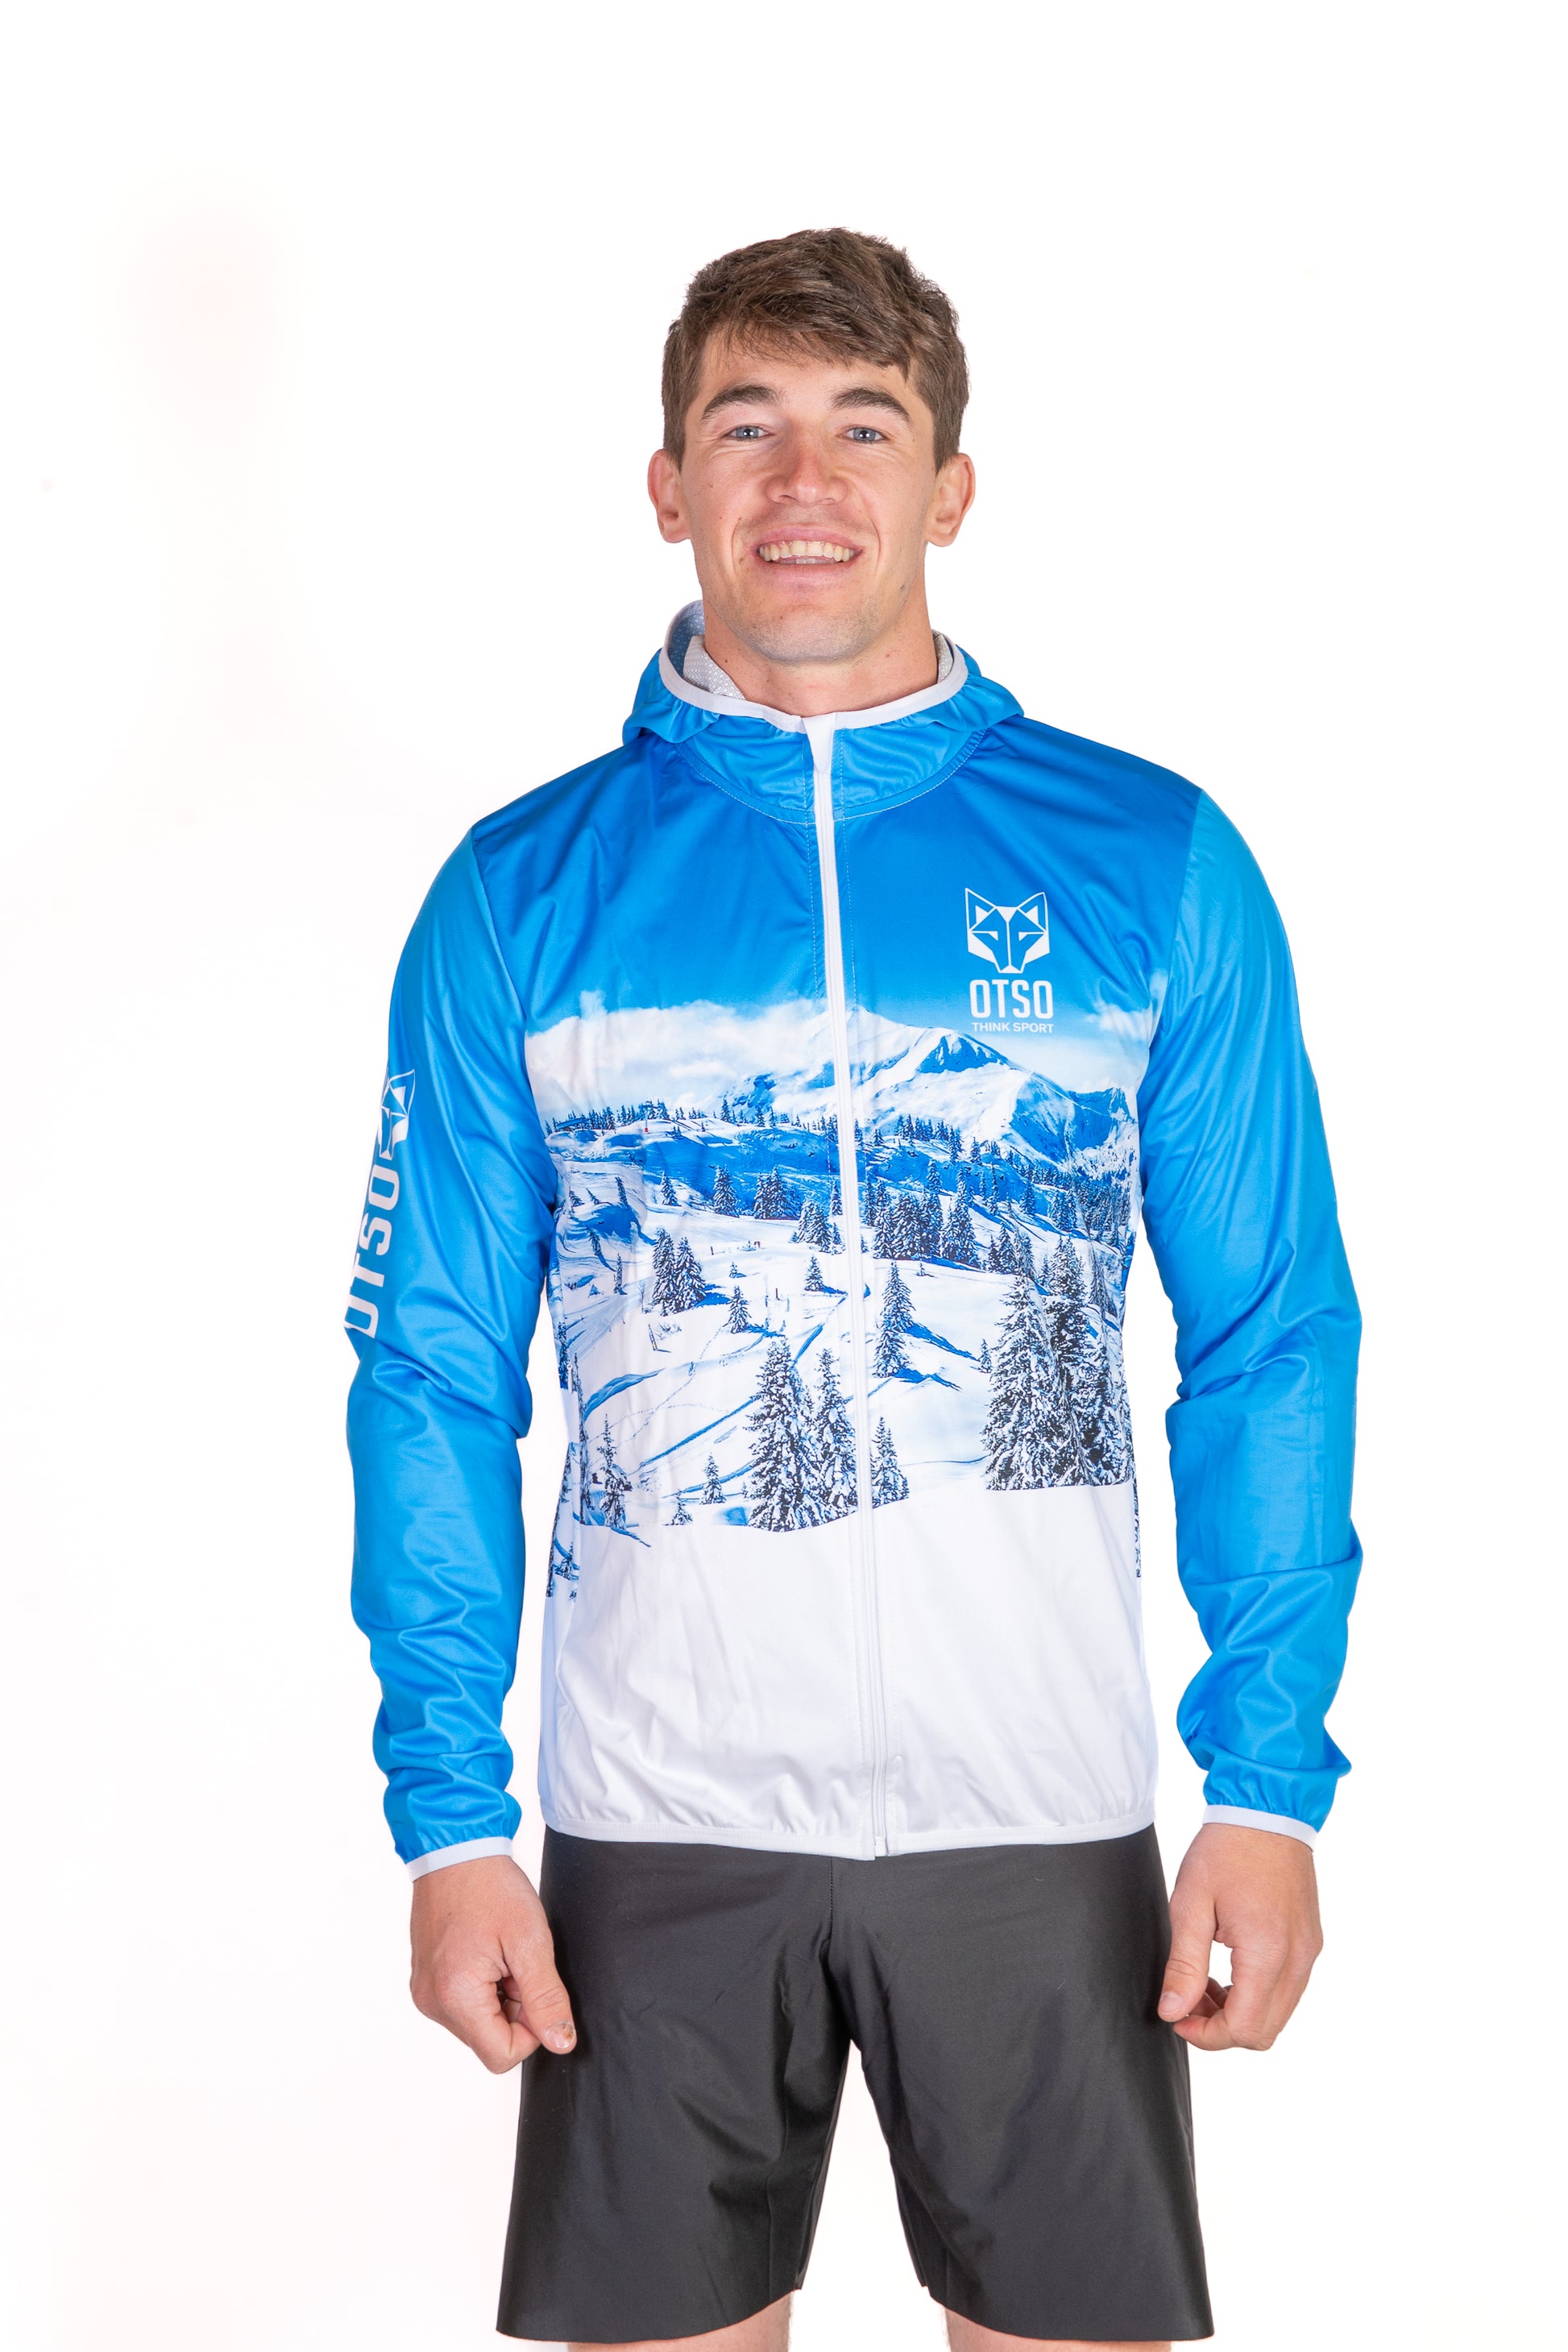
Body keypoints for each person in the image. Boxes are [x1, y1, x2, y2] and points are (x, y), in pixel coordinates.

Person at [345, 229, 1361, 2352]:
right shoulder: (519, 891)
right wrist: (449, 1820)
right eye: (747, 427)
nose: (802, 482)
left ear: (949, 488)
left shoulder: (1149, 857)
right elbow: (428, 1371)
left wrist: (1264, 1783)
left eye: (862, 429)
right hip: (656, 1828)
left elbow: (1270, 1335)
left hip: (1039, 1814)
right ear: (668, 485)